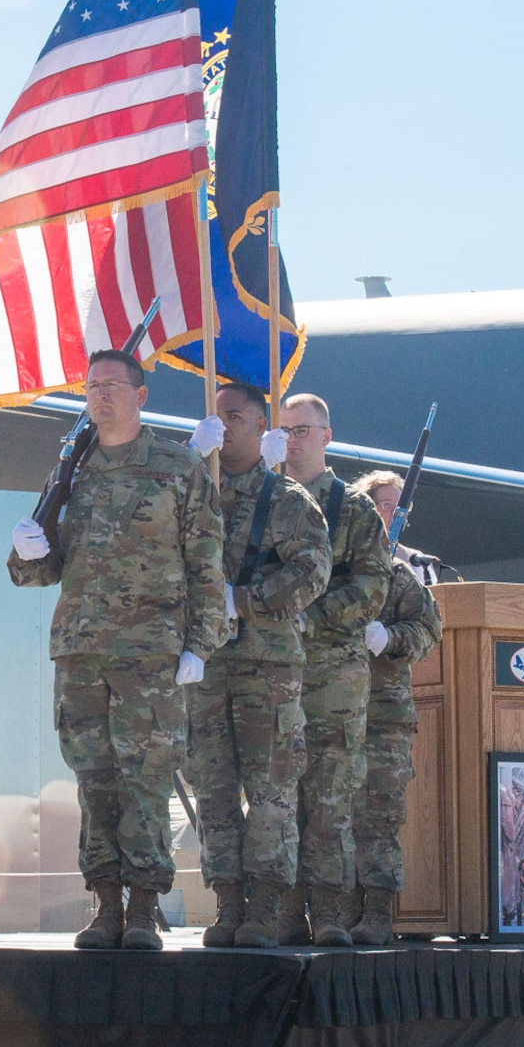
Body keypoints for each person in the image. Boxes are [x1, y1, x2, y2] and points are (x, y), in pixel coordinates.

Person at [9, 348, 228, 951]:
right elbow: (38, 569)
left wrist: (200, 646)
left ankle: (143, 908)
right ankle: (104, 905)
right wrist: (26, 550)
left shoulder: (177, 467)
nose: (100, 394)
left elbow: (207, 567)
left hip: (151, 654)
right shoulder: (71, 471)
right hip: (80, 650)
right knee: (94, 782)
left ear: (141, 395)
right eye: (91, 385)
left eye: (112, 385)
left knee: (147, 780)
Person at [182, 382, 329, 948]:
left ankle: (266, 906)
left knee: (269, 790)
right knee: (213, 788)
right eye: (216, 416)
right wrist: (191, 458)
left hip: (266, 664)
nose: (225, 424)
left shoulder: (287, 499)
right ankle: (227, 903)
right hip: (207, 664)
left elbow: (312, 572)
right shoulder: (195, 491)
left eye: (236, 416)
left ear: (260, 425)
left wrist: (242, 600)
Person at [274, 394, 391, 945]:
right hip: (270, 672)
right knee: (276, 795)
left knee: (328, 796)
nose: (292, 439)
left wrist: (312, 616)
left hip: (332, 676)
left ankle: (328, 912)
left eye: (302, 429)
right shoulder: (265, 500)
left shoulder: (352, 508)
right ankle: (281, 910)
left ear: (326, 435)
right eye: (285, 430)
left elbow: (373, 584)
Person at [346, 471, 443, 946]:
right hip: (330, 711)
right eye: (382, 505)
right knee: (326, 815)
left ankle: (377, 912)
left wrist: (391, 638)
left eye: (396, 506)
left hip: (382, 715)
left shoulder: (399, 573)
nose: (390, 514)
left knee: (379, 816)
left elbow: (428, 629)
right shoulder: (332, 565)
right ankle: (333, 910)